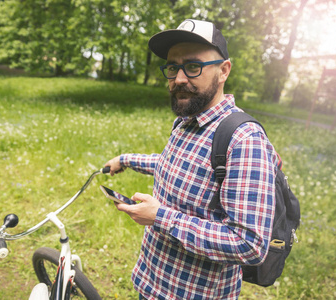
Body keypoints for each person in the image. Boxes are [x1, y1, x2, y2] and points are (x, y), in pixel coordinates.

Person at [104, 19, 279, 300]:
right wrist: (124, 160)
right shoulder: (187, 121)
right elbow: (177, 166)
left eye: (194, 66)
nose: (180, 79)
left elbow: (249, 244)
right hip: (152, 284)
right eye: (173, 67)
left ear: (224, 71)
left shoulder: (244, 139)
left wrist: (160, 217)